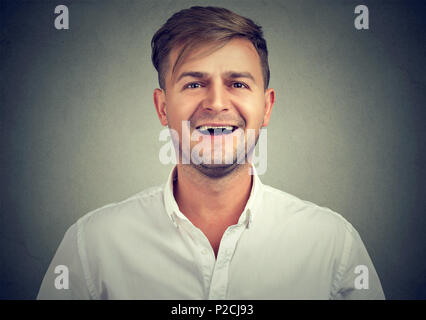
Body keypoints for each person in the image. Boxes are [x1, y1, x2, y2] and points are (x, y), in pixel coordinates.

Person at [37, 6, 385, 300]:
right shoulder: (90, 246)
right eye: (193, 84)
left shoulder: (333, 245)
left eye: (237, 84)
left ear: (266, 107)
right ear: (162, 108)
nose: (217, 103)